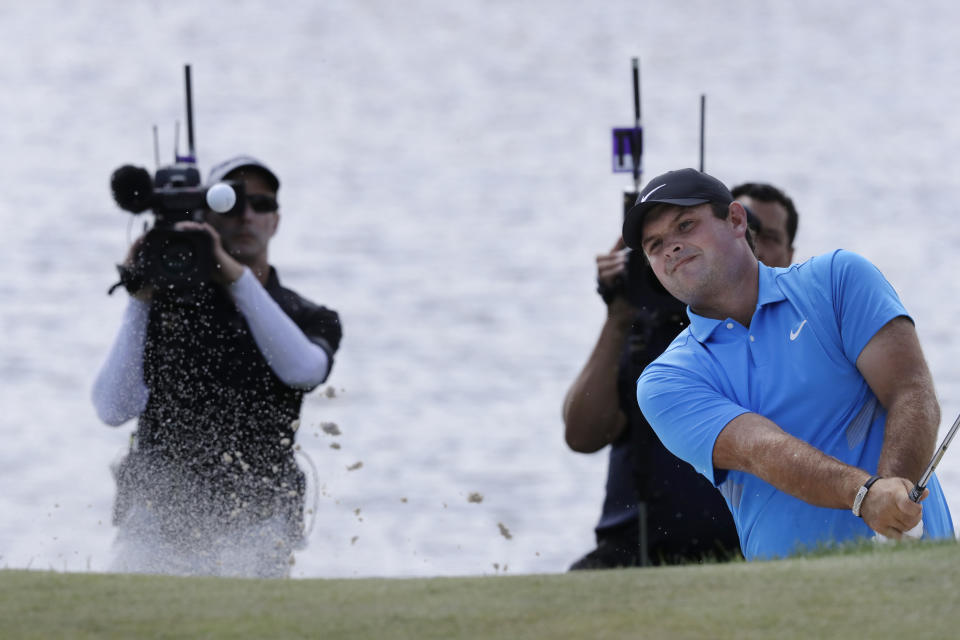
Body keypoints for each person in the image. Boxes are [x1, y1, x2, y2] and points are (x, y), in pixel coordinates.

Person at [622, 167, 954, 560]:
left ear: (736, 220)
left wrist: (894, 498)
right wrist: (866, 495)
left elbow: (910, 392)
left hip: (919, 565)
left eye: (686, 225)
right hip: (794, 598)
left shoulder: (837, 279)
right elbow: (759, 449)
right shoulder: (666, 380)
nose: (671, 247)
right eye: (655, 244)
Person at [92, 155, 342, 577]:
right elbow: (113, 409)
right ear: (206, 216)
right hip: (156, 513)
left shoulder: (308, 316)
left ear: (276, 221)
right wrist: (139, 300)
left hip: (259, 515)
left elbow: (304, 371)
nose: (246, 215)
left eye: (261, 205)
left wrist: (234, 277)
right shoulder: (166, 309)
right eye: (232, 204)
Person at [563, 181, 798, 569]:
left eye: (768, 236)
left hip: (744, 547)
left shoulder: (798, 331)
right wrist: (620, 314)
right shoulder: (652, 332)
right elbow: (582, 435)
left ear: (790, 254)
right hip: (636, 547)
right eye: (657, 245)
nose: (757, 244)